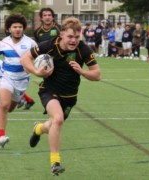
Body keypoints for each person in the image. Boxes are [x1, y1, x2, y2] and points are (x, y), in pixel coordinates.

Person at [20, 17, 101, 176]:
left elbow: (97, 75)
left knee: (53, 124)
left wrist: (82, 71)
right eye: (70, 36)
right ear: (62, 34)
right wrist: (37, 72)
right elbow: (24, 59)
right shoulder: (50, 45)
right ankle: (55, 162)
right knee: (58, 119)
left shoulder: (83, 50)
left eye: (77, 37)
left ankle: (38, 129)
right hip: (49, 91)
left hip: (70, 96)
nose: (74, 40)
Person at [0, 14, 37, 148]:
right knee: (4, 105)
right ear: (9, 29)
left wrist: (35, 67)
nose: (18, 29)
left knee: (10, 108)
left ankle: (2, 104)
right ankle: (1, 137)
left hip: (22, 81)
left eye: (20, 27)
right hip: (6, 77)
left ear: (24, 28)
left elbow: (39, 58)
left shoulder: (31, 43)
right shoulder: (3, 43)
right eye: (15, 27)